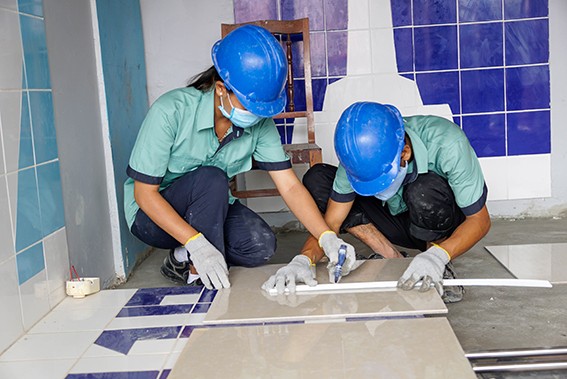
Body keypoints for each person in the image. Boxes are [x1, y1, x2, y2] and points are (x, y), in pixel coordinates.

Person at [124, 25, 357, 290]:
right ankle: (197, 272)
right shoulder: (170, 111)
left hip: (210, 208)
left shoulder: (259, 125)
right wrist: (197, 244)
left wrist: (326, 237)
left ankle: (180, 257)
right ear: (221, 89)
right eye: (250, 105)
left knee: (260, 245)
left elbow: (290, 186)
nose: (257, 115)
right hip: (151, 215)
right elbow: (144, 195)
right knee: (211, 179)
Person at [263, 101, 491, 303]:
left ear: (405, 152)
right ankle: (393, 259)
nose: (378, 188)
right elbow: (329, 225)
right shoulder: (357, 158)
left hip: (437, 220)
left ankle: (435, 266)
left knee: (424, 190)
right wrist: (303, 259)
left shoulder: (448, 143)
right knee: (318, 178)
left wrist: (438, 256)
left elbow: (480, 220)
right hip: (392, 218)